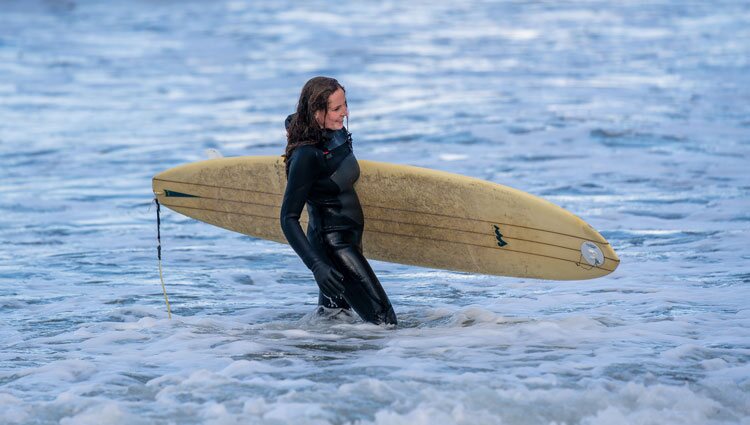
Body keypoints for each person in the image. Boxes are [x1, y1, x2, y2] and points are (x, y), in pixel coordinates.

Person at [280, 76, 397, 326]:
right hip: (333, 248)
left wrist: (291, 124)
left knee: (334, 322)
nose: (345, 113)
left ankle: (320, 361)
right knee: (384, 323)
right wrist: (316, 266)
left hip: (350, 241)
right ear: (316, 112)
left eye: (344, 105)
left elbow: (293, 118)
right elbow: (288, 218)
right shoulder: (306, 156)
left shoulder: (334, 132)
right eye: (336, 109)